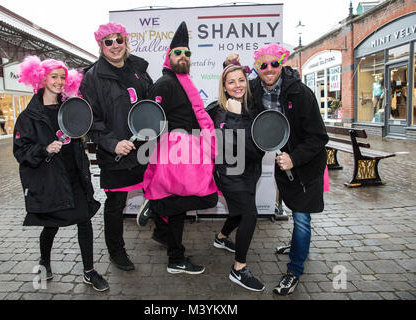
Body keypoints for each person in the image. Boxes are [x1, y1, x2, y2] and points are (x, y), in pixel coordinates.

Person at [226, 43, 329, 295]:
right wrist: (229, 65)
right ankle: (296, 246)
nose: (269, 69)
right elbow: (232, 85)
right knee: (293, 209)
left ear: (281, 63)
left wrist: (294, 158)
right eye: (263, 65)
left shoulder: (301, 93)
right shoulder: (253, 89)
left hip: (305, 165)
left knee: (302, 220)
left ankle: (294, 270)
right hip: (282, 166)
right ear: (257, 69)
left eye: (274, 63)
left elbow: (319, 137)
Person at [13, 55, 109, 292]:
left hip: (74, 174)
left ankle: (89, 271)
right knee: (51, 225)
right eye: (53, 76)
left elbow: (81, 135)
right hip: (49, 180)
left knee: (84, 221)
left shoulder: (71, 107)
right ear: (40, 78)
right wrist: (44, 149)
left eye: (62, 77)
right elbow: (20, 150)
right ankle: (44, 262)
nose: (59, 81)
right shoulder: (29, 115)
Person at [138, 22, 218, 274]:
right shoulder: (165, 83)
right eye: (177, 53)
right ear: (168, 57)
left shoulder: (183, 83)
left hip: (188, 150)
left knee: (185, 202)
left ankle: (159, 218)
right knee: (187, 201)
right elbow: (150, 119)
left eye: (187, 53)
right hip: (174, 152)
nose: (183, 56)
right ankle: (175, 257)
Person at [79, 22, 154, 271]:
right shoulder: (92, 77)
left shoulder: (139, 69)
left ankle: (163, 233)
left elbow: (151, 103)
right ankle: (116, 251)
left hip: (144, 147)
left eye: (118, 40)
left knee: (159, 187)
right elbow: (90, 120)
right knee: (116, 203)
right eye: (108, 42)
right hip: (115, 153)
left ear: (125, 42)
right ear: (101, 46)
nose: (114, 46)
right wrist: (113, 143)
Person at [206, 63, 265, 291]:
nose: (237, 85)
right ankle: (239, 269)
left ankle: (221, 237)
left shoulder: (254, 107)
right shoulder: (218, 111)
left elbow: (256, 148)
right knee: (249, 212)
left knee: (239, 211)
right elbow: (230, 149)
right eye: (231, 81)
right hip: (229, 172)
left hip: (251, 171)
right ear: (224, 86)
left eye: (241, 80)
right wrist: (234, 117)